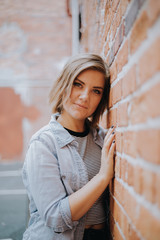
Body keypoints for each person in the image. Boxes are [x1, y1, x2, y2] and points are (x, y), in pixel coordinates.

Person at [22, 53, 116, 240]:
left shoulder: (102, 140)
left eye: (96, 91)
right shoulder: (43, 144)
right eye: (78, 84)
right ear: (65, 84)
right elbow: (55, 217)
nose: (84, 97)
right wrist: (103, 176)